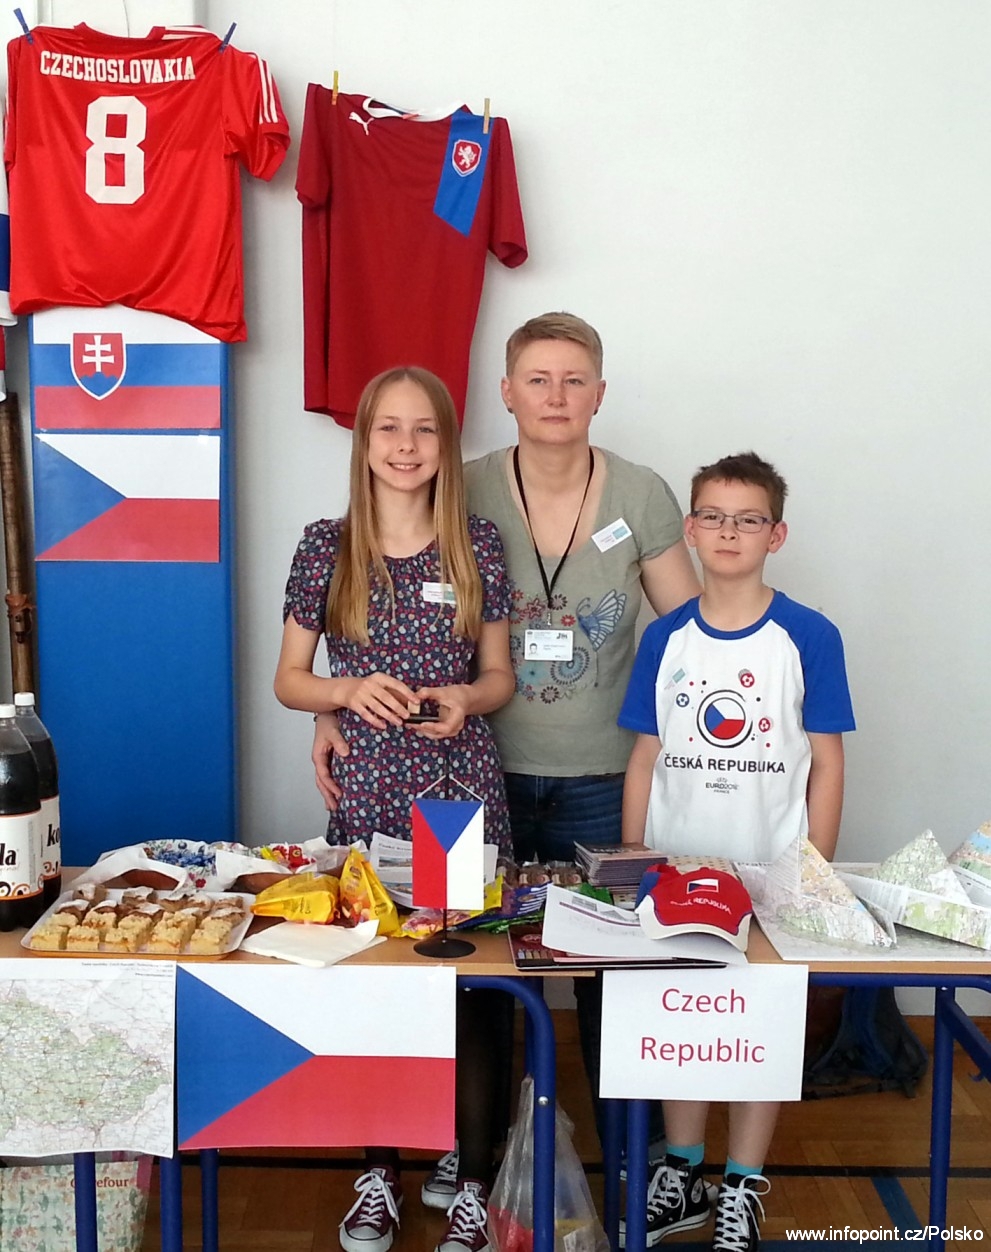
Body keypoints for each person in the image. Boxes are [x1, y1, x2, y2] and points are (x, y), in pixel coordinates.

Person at [314, 313, 701, 1153]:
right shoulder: (465, 487)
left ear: (599, 394)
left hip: (603, 779)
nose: (555, 396)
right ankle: (476, 1161)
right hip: (467, 780)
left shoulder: (638, 494)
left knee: (610, 978)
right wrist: (328, 707)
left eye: (573, 380)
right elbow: (369, 604)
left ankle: (626, 1163)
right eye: (537, 379)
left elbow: (690, 635)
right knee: (471, 968)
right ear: (506, 393)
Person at [275, 366, 515, 1252]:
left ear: (447, 444)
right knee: (374, 981)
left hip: (453, 801)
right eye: (388, 428)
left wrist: (467, 699)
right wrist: (341, 691)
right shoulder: (325, 545)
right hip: (367, 793)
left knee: (469, 990)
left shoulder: (476, 543)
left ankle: (474, 1184)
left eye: (424, 430)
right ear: (363, 441)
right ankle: (379, 1171)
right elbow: (289, 679)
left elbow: (499, 676)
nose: (406, 446)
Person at [618, 451, 855, 1251]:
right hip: (677, 872)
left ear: (774, 535)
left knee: (758, 1027)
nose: (728, 532)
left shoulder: (808, 636)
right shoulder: (664, 638)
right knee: (683, 1024)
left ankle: (743, 1183)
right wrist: (635, 859)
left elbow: (827, 762)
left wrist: (812, 870)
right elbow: (645, 756)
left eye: (747, 519)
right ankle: (683, 1171)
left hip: (772, 872)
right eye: (713, 518)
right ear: (689, 530)